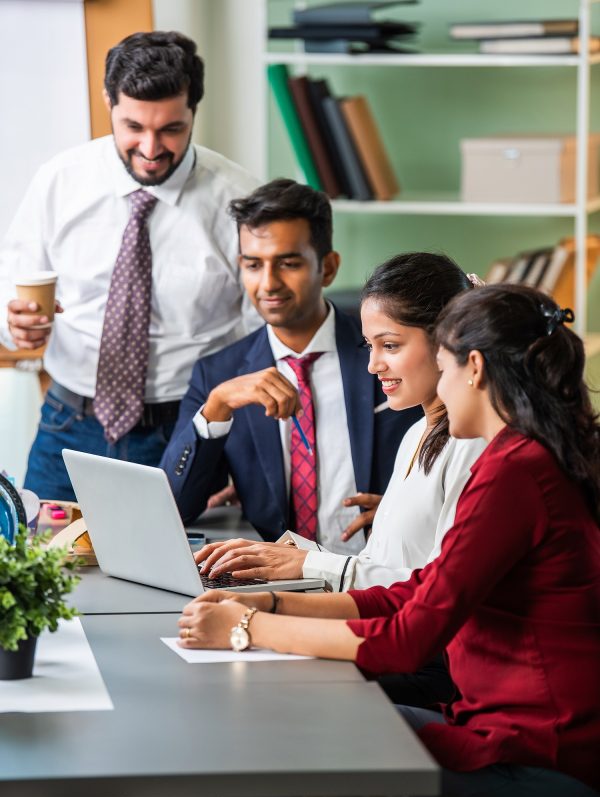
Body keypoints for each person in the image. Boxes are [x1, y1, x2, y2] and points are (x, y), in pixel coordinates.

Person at [176, 285, 600, 797]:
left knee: (285, 740)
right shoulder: (515, 456)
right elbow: (417, 590)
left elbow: (408, 639)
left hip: (531, 751)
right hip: (496, 727)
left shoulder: (516, 471)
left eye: (442, 370)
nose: (438, 389)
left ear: (475, 368)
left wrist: (246, 627)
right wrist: (267, 601)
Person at [0, 31, 259, 501]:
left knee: (174, 574)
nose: (150, 147)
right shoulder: (61, 180)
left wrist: (245, 445)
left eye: (171, 129)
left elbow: (263, 335)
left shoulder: (239, 200)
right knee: (39, 567)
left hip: (187, 428)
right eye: (133, 126)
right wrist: (11, 321)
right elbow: (10, 286)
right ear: (108, 103)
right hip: (68, 423)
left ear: (193, 111)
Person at [192, 253, 486, 598]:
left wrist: (306, 566)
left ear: (448, 341)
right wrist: (287, 556)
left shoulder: (473, 445)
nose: (373, 365)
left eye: (389, 345)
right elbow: (379, 565)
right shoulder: (414, 435)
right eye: (369, 346)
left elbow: (438, 594)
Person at [161, 180, 421, 552]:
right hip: (276, 580)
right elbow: (174, 507)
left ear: (327, 268)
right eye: (253, 264)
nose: (269, 283)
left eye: (288, 263)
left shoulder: (387, 352)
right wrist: (217, 406)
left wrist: (406, 511)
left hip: (378, 571)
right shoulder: (218, 375)